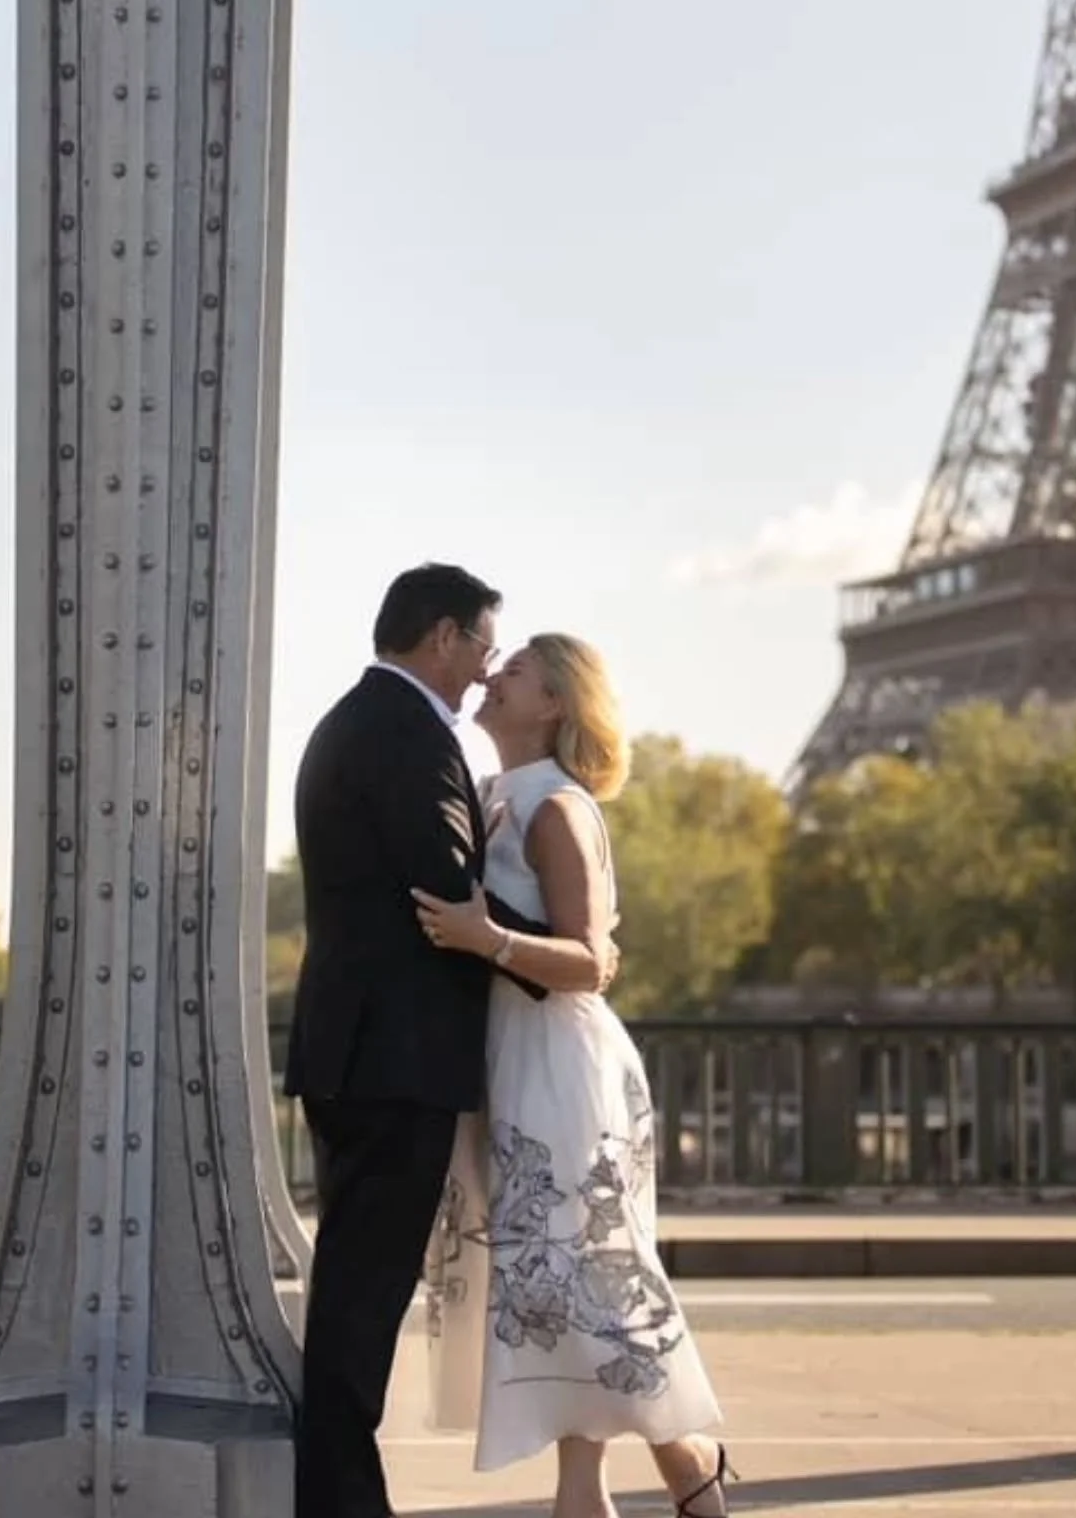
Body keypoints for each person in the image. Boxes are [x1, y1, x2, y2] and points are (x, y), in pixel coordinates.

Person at [285, 564, 583, 1518]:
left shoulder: (364, 721)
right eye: (484, 651)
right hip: (393, 1060)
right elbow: (445, 895)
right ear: (444, 636)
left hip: (363, 1051)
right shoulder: (406, 735)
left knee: (354, 1306)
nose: (484, 673)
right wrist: (554, 958)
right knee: (360, 1317)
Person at [414, 634, 732, 1518]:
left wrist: (490, 940)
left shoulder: (556, 806)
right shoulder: (492, 797)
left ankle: (607, 1489)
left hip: (560, 1064)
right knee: (556, 1281)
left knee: (585, 1270)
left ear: (554, 703)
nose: (491, 674)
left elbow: (591, 962)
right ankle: (668, 1478)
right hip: (512, 1055)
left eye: (512, 670)